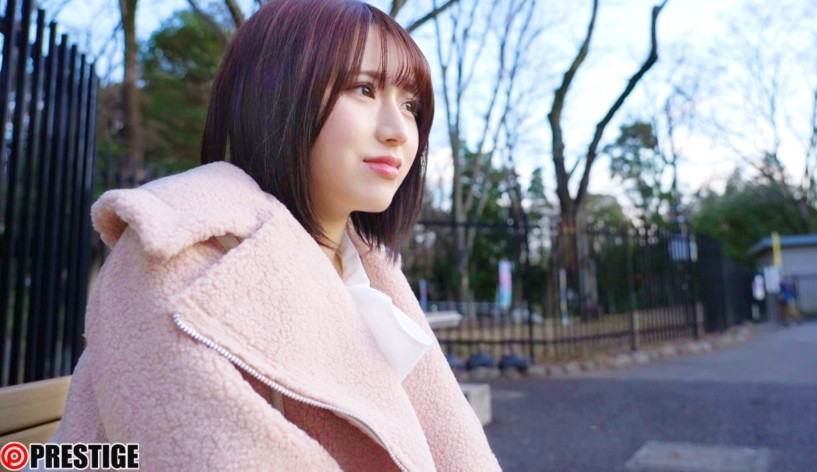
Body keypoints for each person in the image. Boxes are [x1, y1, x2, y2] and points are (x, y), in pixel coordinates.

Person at [44, 1, 500, 470]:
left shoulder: (370, 271)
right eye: (364, 89)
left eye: (411, 105)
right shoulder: (174, 252)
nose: (399, 131)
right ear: (278, 94)